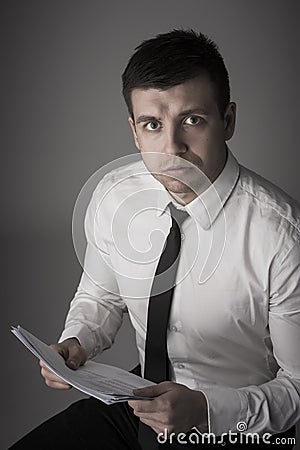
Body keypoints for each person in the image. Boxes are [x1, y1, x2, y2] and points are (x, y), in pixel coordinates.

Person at [10, 29, 300, 450]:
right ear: (134, 131)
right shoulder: (115, 195)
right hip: (139, 403)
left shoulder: (283, 237)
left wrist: (204, 411)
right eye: (152, 125)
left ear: (229, 121)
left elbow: (297, 387)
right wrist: (77, 342)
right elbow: (102, 294)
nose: (172, 148)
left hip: (241, 430)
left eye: (192, 120)